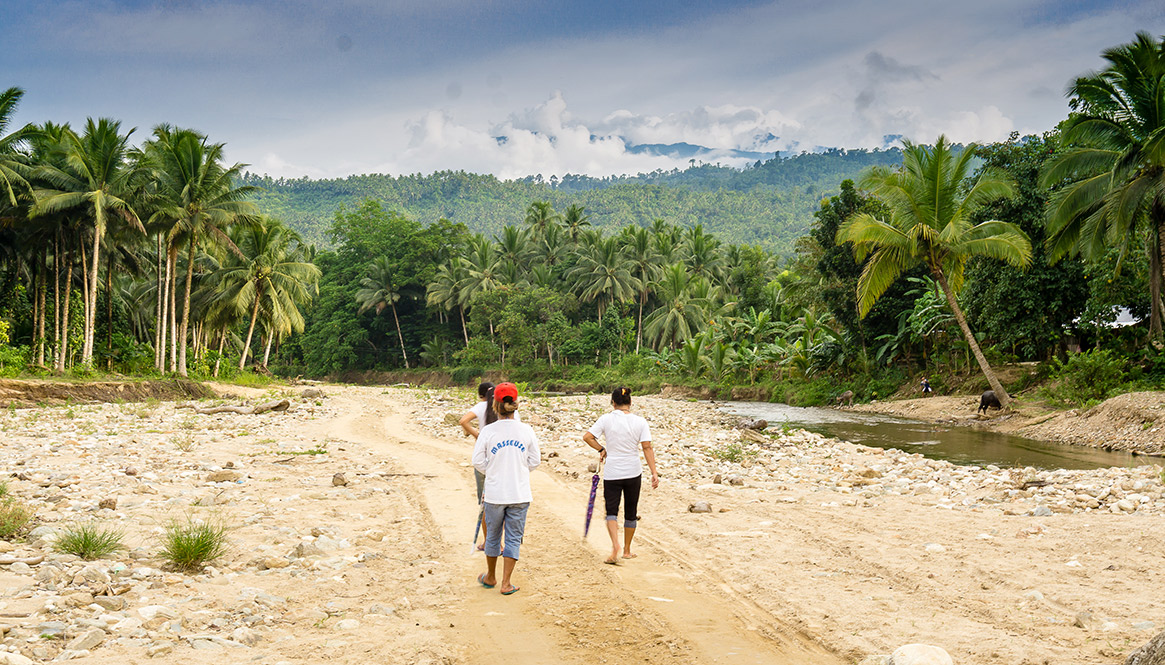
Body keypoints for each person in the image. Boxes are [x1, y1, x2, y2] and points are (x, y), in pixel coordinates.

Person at [472, 382, 540, 595]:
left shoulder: (488, 431)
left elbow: (477, 461)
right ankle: (506, 582)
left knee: (493, 536)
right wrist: (518, 470)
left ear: (495, 405)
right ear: (516, 404)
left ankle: (490, 576)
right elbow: (535, 461)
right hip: (519, 493)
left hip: (494, 493)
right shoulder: (526, 430)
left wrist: (493, 471)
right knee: (513, 537)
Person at [582, 387, 659, 564]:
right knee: (631, 511)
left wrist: (601, 449)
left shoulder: (606, 419)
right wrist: (654, 472)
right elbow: (647, 447)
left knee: (612, 511)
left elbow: (587, 437)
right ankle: (626, 550)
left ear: (613, 403)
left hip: (613, 472)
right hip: (633, 471)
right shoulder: (640, 422)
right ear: (630, 403)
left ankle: (615, 544)